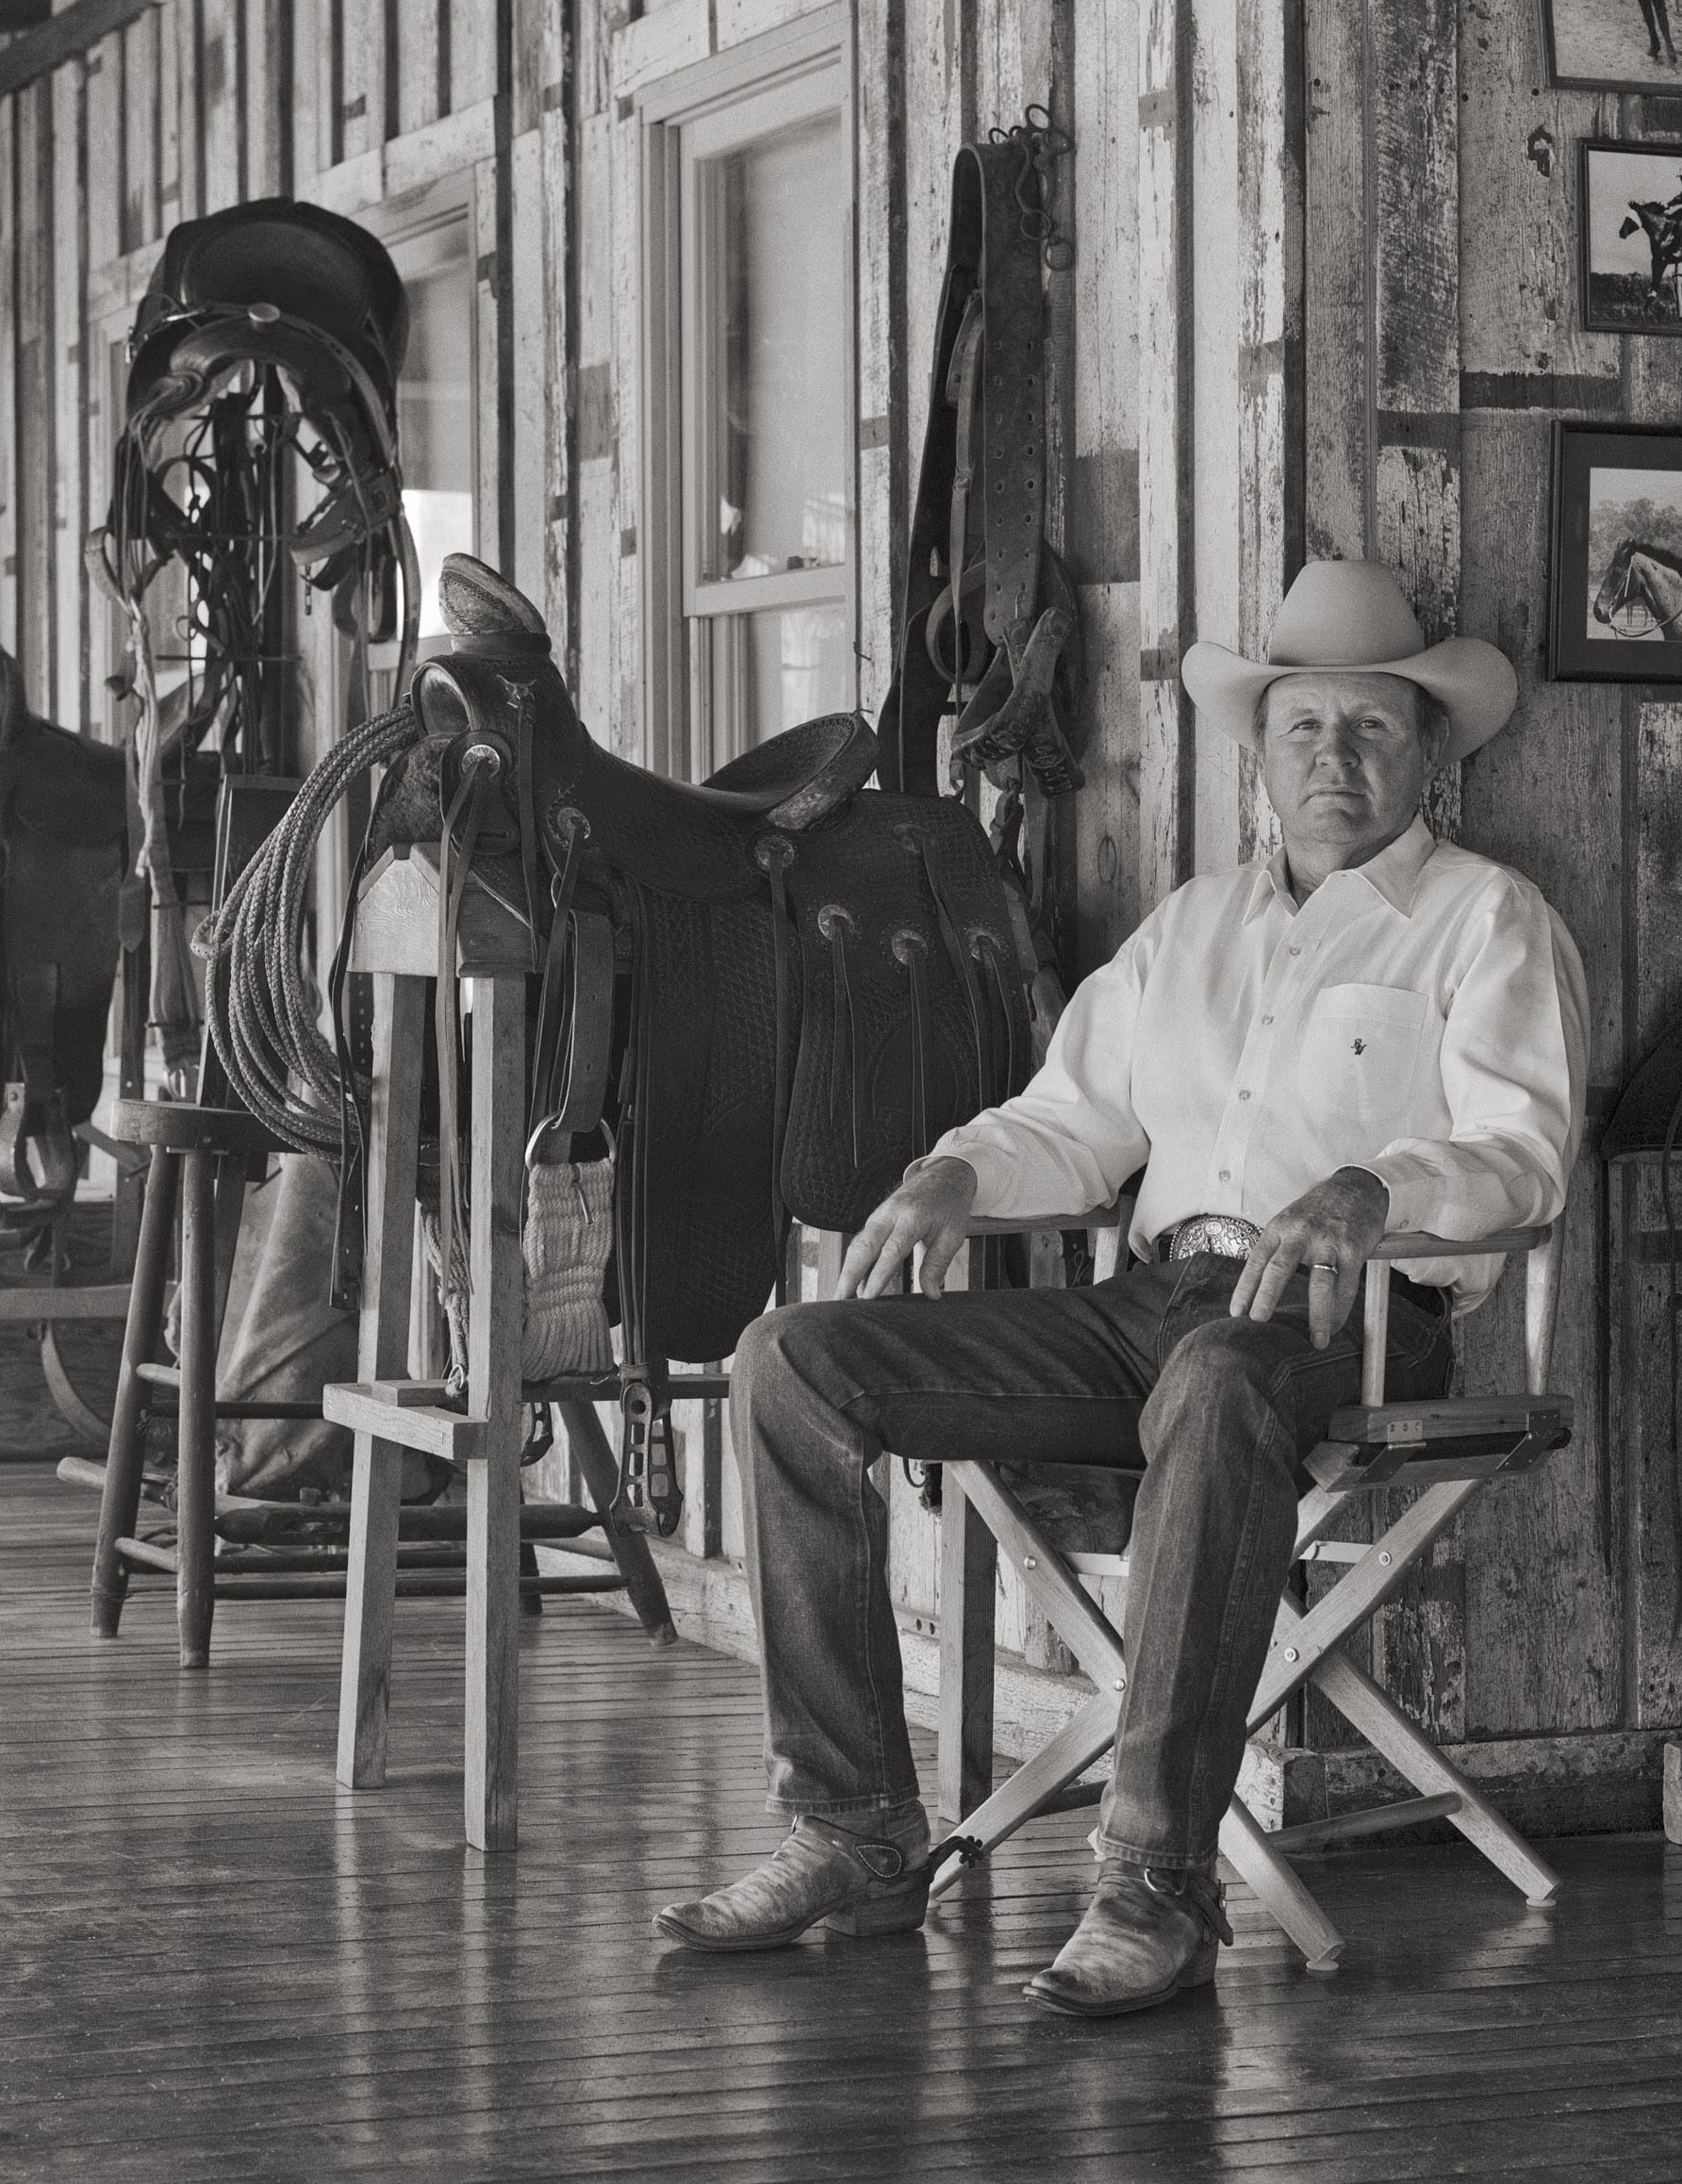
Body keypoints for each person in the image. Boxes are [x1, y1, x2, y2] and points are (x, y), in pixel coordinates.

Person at [653, 558, 1588, 2017]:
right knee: (791, 1360)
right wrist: (956, 1173)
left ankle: (1152, 1886)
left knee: (1222, 1375)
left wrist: (1374, 1187)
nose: (1333, 758)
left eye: (1371, 730)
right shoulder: (1193, 929)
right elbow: (1073, 1121)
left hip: (1344, 1326)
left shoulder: (1484, 920)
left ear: (1429, 751)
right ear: (1260, 752)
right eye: (1303, 730)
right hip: (1150, 1305)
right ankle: (852, 1831)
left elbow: (1523, 1155)